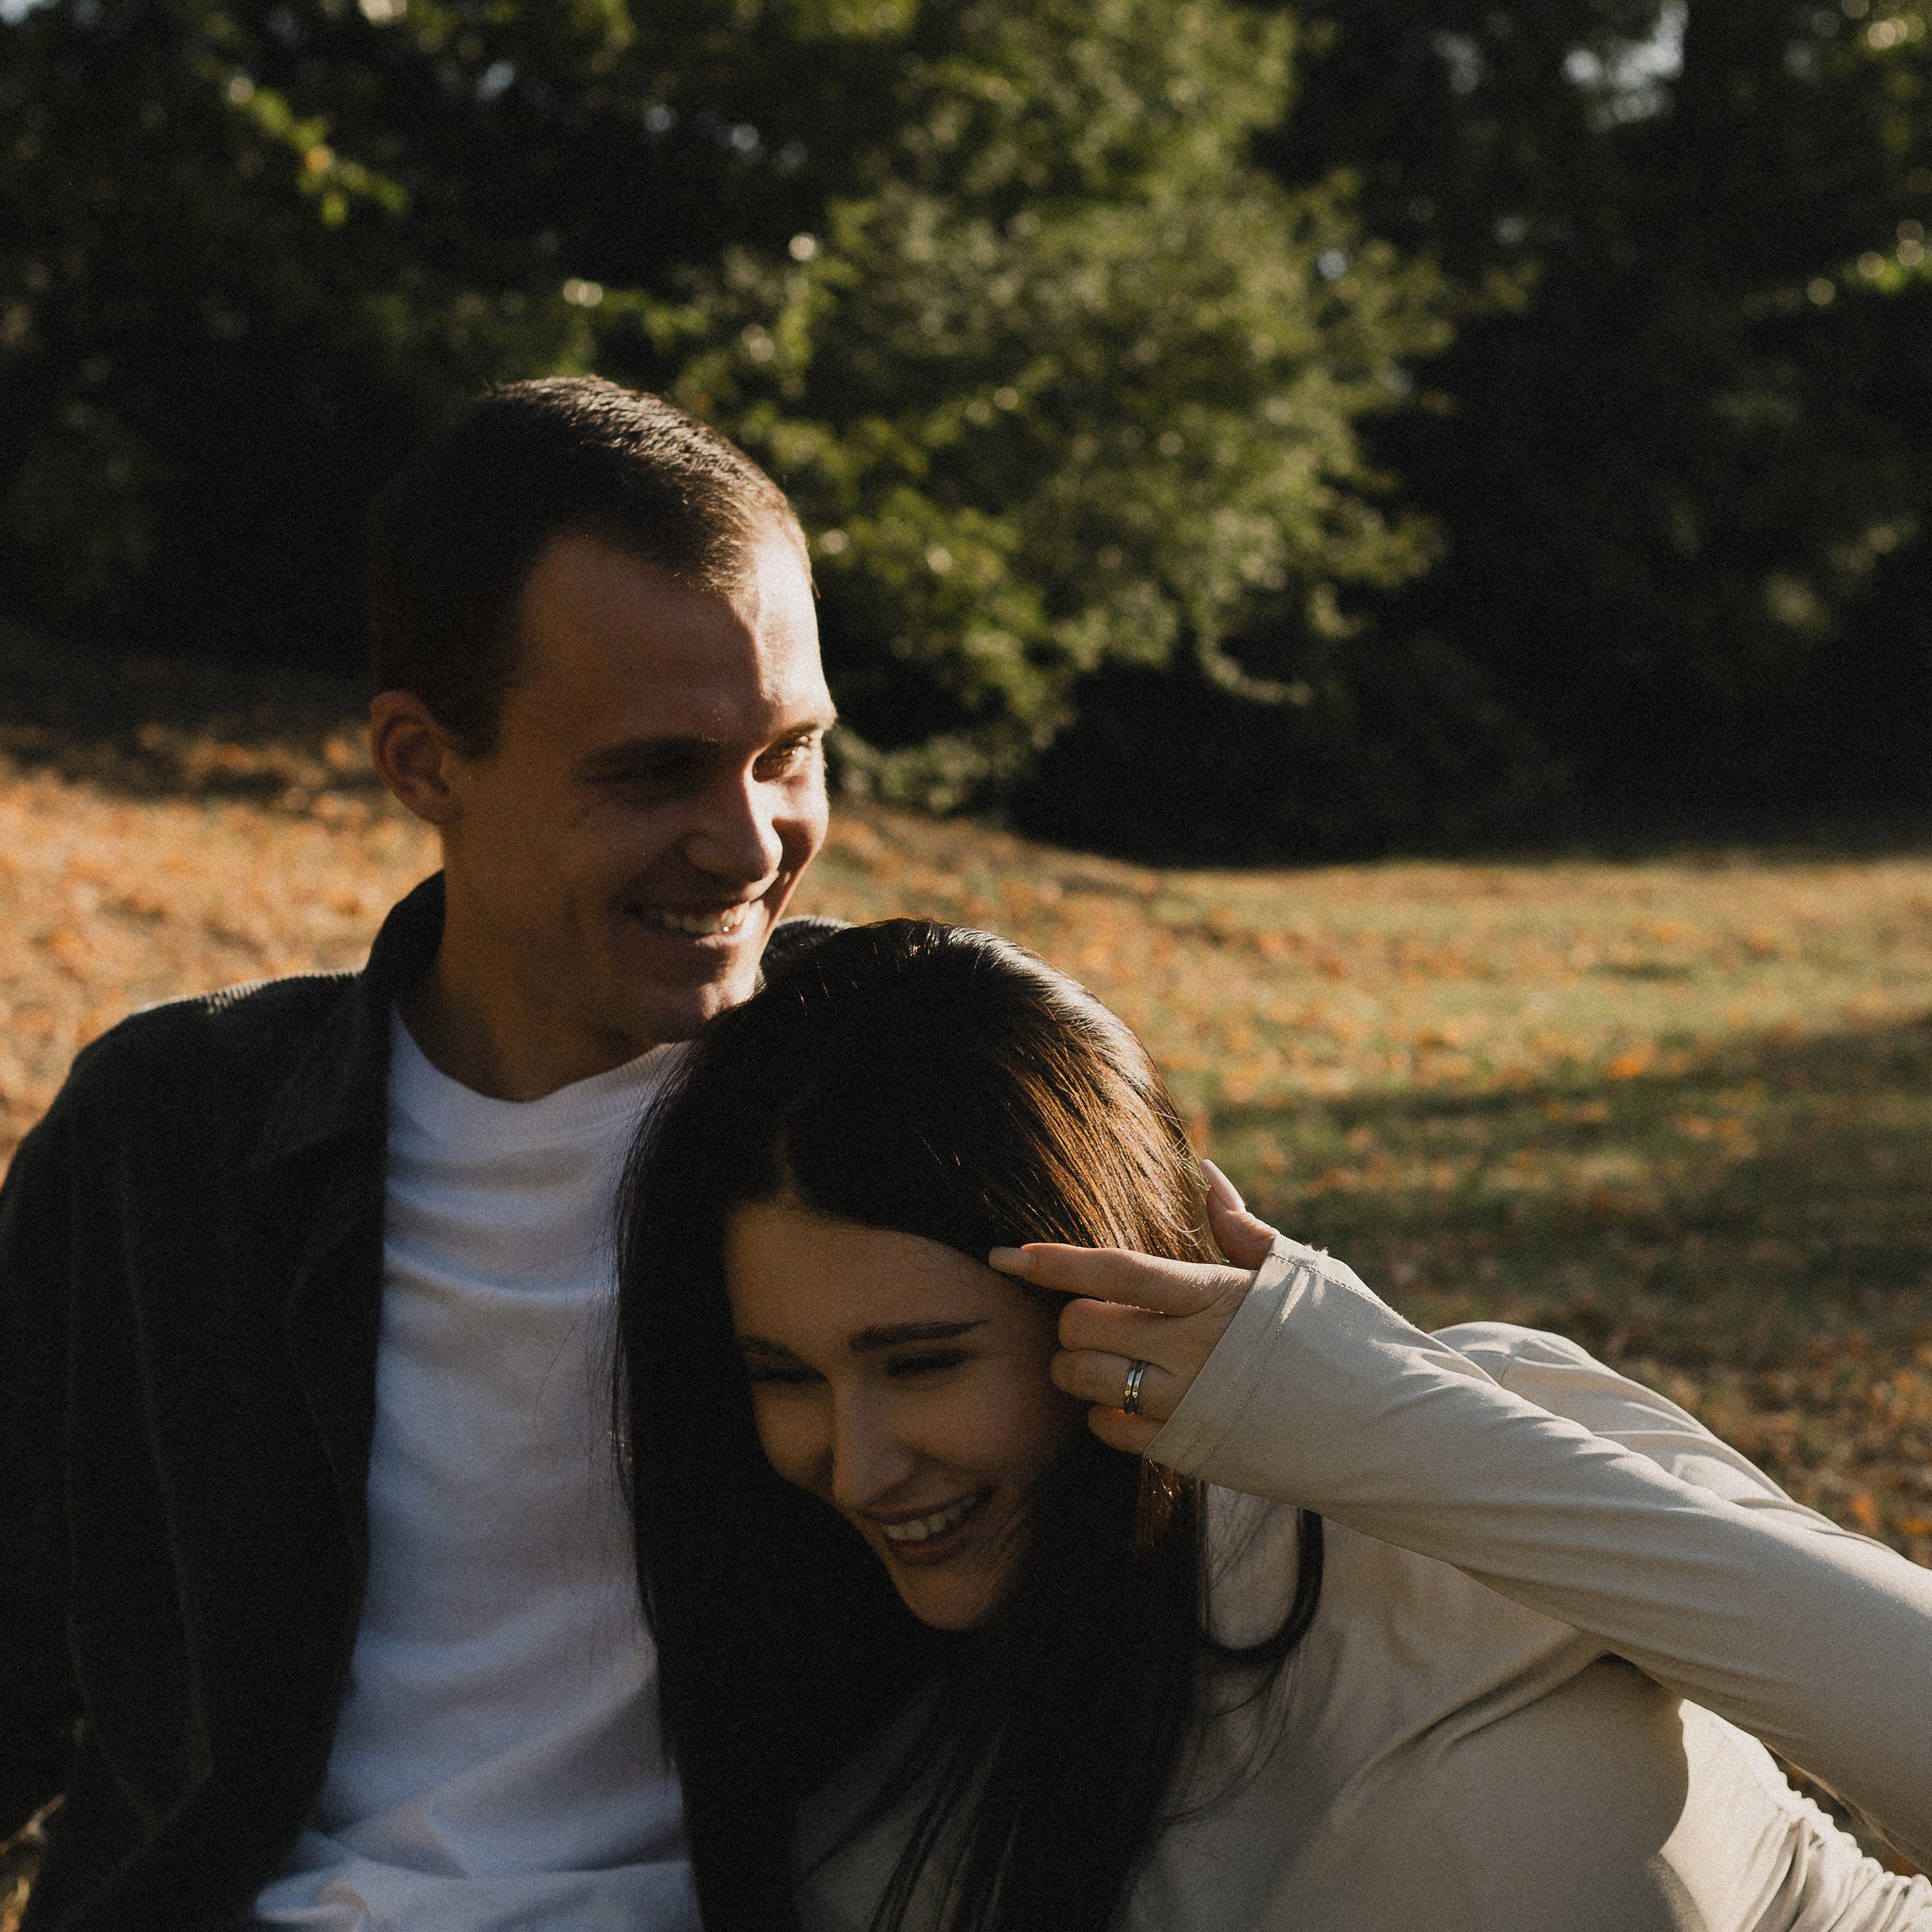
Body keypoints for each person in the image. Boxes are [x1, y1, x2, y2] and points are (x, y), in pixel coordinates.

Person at [617, 917, 1932, 1932]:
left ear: (1106, 1288)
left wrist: (1377, 1414)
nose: (856, 1464)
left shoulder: (1446, 1454)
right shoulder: (884, 1847)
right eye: (782, 1377)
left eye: (921, 1364)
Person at [0, 377, 841, 1929]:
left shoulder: (908, 1098)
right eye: (653, 771)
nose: (746, 841)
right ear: (421, 762)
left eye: (790, 751)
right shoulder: (167, 1134)